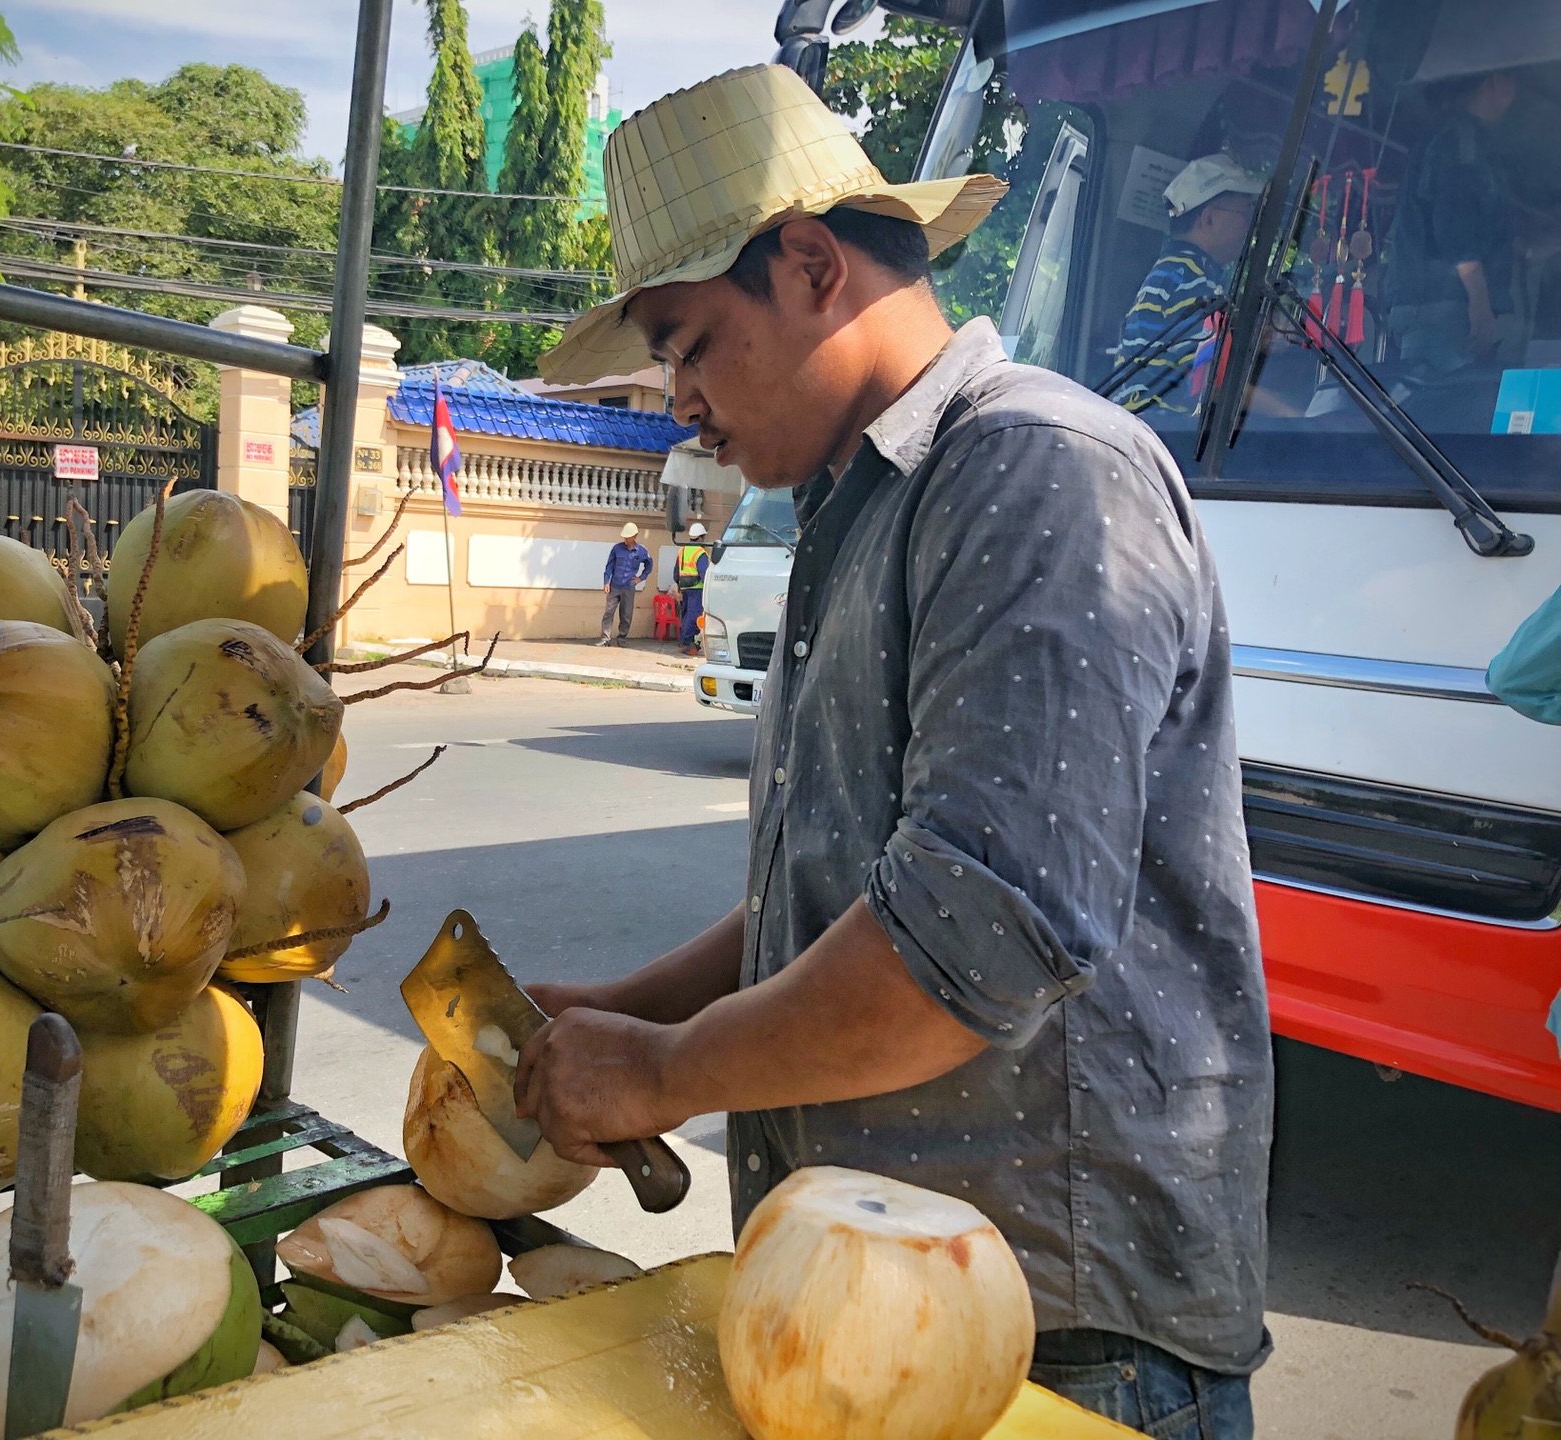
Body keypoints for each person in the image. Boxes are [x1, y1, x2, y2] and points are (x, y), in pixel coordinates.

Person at [521, 65, 1271, 1438]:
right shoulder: (861, 506)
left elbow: (971, 935)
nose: (678, 398)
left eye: (688, 342)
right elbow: (861, 872)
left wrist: (663, 1071)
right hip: (868, 1314)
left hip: (1056, 1335)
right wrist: (632, 1008)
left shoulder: (1039, 473)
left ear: (809, 265)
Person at [1385, 71, 1518, 379]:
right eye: (1513, 83)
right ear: (1496, 82)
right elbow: (1455, 232)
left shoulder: (1447, 138)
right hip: (1443, 309)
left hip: (1433, 307)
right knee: (1440, 408)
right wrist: (1480, 305)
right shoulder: (1462, 143)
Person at [1110, 154, 1263, 414]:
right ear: (1210, 219)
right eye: (1245, 212)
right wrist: (1290, 414)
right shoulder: (1190, 279)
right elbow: (1211, 379)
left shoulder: (1177, 271)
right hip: (1163, 436)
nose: (1251, 225)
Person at [596, 522, 652, 646]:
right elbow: (609, 565)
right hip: (615, 586)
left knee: (626, 614)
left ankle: (622, 638)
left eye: (628, 537)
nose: (626, 539)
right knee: (608, 612)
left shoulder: (641, 551)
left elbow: (649, 565)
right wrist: (606, 581)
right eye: (625, 537)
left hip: (628, 587)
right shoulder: (617, 548)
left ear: (635, 536)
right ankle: (605, 638)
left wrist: (641, 578)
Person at [673, 521, 711, 655]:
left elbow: (676, 573)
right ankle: (688, 643)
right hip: (697, 588)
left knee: (685, 615)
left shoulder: (682, 549)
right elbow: (704, 573)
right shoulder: (700, 551)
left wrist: (679, 586)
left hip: (684, 588)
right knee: (693, 616)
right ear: (700, 537)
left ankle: (683, 642)